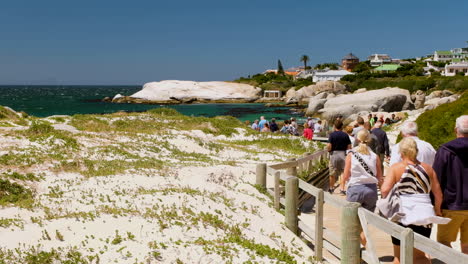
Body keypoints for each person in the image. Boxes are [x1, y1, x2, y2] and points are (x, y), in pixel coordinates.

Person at [381, 137, 446, 264]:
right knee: (420, 255)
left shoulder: (396, 168)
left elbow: (384, 190)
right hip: (424, 215)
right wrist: (437, 210)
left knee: (399, 257)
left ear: (401, 153)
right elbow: (438, 194)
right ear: (416, 151)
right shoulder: (428, 168)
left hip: (402, 213)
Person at [433, 115, 468, 253]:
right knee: (466, 245)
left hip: (451, 205)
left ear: (456, 130)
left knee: (444, 243)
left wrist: (435, 205)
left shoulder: (445, 150)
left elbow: (437, 180)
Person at [343, 129, 383, 245]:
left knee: (351, 220)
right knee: (364, 220)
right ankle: (363, 239)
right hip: (371, 190)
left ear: (357, 138)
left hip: (355, 188)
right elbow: (379, 176)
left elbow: (346, 175)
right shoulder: (375, 156)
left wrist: (344, 185)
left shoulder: (351, 154)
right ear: (369, 140)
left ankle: (354, 248)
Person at [327, 120, 352, 193]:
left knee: (332, 172)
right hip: (343, 154)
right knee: (342, 172)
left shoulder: (331, 135)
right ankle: (342, 188)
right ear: (342, 126)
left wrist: (329, 150)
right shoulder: (345, 135)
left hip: (334, 154)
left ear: (334, 126)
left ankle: (331, 188)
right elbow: (349, 146)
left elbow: (329, 146)